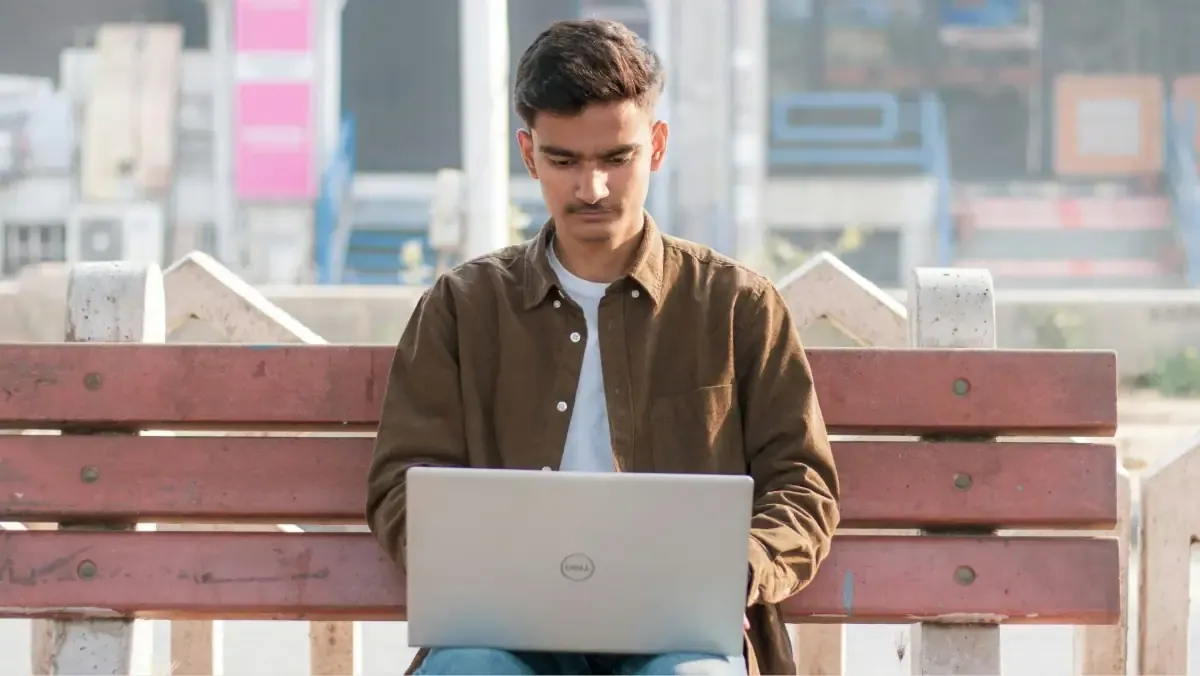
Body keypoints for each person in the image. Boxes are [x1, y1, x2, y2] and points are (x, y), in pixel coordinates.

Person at [366, 18, 840, 676]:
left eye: (616, 158)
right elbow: (400, 484)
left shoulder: (737, 307)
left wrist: (736, 571)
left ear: (657, 147)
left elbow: (803, 486)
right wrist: (473, 571)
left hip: (679, 634)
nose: (591, 189)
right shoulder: (462, 308)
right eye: (564, 161)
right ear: (529, 155)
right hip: (501, 630)